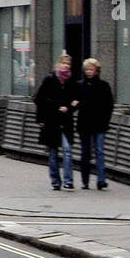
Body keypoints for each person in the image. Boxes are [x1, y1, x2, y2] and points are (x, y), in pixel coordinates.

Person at [33, 58, 80, 190]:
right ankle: (55, 181)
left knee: (67, 149)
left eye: (68, 64)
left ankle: (68, 181)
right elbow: (38, 99)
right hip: (51, 121)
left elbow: (76, 100)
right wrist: (42, 118)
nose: (66, 66)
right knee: (53, 153)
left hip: (65, 121)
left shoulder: (72, 81)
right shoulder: (50, 78)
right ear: (58, 64)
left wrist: (69, 108)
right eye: (63, 63)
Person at [76, 57, 113, 191]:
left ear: (97, 71)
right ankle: (85, 181)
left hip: (99, 123)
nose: (89, 72)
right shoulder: (80, 85)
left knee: (99, 151)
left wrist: (106, 121)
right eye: (87, 69)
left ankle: (101, 180)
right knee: (85, 152)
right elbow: (75, 103)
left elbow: (109, 105)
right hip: (84, 124)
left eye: (91, 69)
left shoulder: (103, 85)